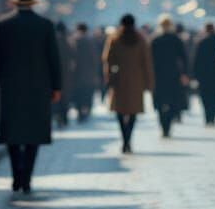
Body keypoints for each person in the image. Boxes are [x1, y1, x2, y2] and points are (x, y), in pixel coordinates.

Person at [0, 0, 62, 195]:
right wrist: (56, 86)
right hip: (39, 86)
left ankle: (16, 175)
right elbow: (53, 59)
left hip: (11, 86)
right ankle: (27, 177)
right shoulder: (45, 25)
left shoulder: (3, 25)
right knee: (33, 132)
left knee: (12, 132)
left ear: (15, 1)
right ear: (33, 2)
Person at [103, 14, 154, 153]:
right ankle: (128, 139)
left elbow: (107, 60)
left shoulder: (114, 38)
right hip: (136, 80)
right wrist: (149, 82)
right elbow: (146, 62)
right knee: (133, 112)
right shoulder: (141, 39)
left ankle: (124, 138)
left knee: (120, 111)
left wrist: (108, 78)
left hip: (119, 79)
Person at [151, 15, 187, 137]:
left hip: (158, 75)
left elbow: (150, 60)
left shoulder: (155, 40)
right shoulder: (176, 39)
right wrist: (184, 74)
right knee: (172, 101)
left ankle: (163, 126)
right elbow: (184, 58)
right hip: (173, 75)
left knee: (160, 102)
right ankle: (167, 126)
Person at [193, 21, 215, 125]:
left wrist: (195, 75)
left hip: (204, 75)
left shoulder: (201, 42)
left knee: (205, 96)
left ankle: (208, 117)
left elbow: (197, 60)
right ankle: (213, 115)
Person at [70, 24, 99, 122]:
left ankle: (80, 112)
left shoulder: (73, 41)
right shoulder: (90, 42)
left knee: (78, 94)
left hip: (76, 74)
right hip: (88, 75)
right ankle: (86, 111)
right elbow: (94, 59)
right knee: (87, 94)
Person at [54, 21, 74, 127]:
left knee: (55, 96)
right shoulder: (67, 42)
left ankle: (57, 116)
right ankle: (64, 117)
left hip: (54, 73)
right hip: (66, 74)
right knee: (65, 96)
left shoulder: (52, 41)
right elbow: (73, 57)